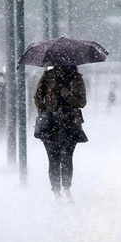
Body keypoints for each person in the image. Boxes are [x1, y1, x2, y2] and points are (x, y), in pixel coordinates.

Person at [34, 65, 88, 199]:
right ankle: (56, 191)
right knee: (53, 159)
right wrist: (44, 112)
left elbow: (82, 102)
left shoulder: (76, 78)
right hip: (50, 125)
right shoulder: (48, 77)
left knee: (67, 157)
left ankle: (66, 188)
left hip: (70, 124)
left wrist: (68, 96)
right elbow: (38, 97)